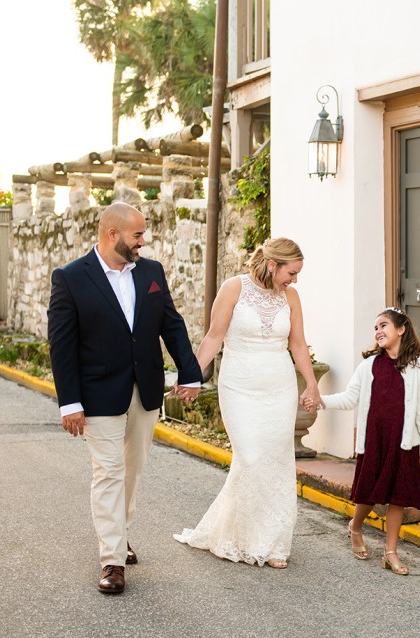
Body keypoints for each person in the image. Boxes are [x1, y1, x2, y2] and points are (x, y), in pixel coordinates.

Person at [47, 202, 203, 594]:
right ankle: (112, 560)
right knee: (109, 472)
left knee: (132, 470)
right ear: (112, 234)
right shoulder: (70, 278)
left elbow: (172, 325)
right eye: (137, 235)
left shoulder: (151, 272)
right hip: (98, 393)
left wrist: (190, 372)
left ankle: (120, 533)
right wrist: (70, 402)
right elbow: (61, 346)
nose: (143, 241)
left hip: (145, 390)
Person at [173, 237, 321, 569]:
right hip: (239, 386)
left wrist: (311, 384)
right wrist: (191, 377)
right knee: (251, 457)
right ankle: (241, 537)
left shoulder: (291, 297)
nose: (295, 280)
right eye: (291, 273)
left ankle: (272, 543)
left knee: (276, 460)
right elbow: (214, 337)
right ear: (272, 265)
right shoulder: (233, 288)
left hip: (279, 387)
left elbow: (298, 344)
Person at [316, 307, 420, 575]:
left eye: (383, 325)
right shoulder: (369, 365)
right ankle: (355, 527)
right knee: (368, 494)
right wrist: (321, 401)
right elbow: (350, 398)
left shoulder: (419, 367)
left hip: (403, 442)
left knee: (397, 497)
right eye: (375, 328)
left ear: (401, 329)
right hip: (374, 441)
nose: (378, 331)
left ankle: (390, 552)